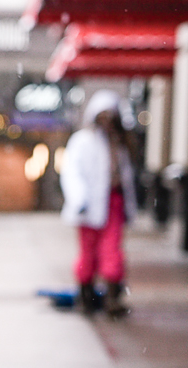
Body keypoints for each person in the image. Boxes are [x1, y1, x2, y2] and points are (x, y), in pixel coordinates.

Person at [60, 88, 137, 318]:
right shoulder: (83, 141)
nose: (106, 122)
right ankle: (86, 295)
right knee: (88, 252)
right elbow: (71, 172)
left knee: (112, 251)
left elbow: (126, 176)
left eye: (110, 117)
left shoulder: (119, 143)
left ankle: (112, 297)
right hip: (88, 206)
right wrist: (79, 197)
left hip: (113, 204)